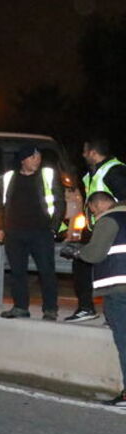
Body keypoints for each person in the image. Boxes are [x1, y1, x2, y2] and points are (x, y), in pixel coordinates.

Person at [61, 192, 126, 405]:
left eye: (92, 211)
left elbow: (96, 254)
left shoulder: (109, 220)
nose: (93, 215)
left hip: (119, 291)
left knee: (124, 342)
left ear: (97, 206)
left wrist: (77, 252)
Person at [0, 146, 66, 320]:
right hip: (14, 233)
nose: (37, 161)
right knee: (17, 272)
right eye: (33, 157)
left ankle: (50, 309)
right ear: (23, 160)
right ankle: (20, 307)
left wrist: (53, 227)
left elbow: (60, 202)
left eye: (39, 158)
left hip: (41, 232)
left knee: (46, 272)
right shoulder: (9, 177)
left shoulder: (47, 175)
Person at [66, 137, 126, 323]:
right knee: (86, 264)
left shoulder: (114, 171)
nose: (83, 155)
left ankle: (94, 309)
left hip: (111, 227)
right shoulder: (93, 173)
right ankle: (91, 308)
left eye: (85, 151)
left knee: (102, 267)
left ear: (93, 153)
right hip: (96, 226)